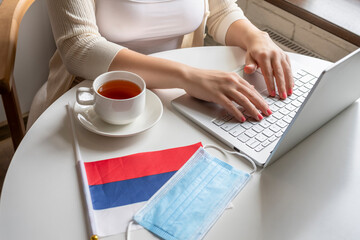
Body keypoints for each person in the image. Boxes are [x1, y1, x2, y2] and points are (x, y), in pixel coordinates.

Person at [27, 0, 293, 129]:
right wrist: (186, 76)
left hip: (178, 100)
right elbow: (79, 47)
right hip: (95, 104)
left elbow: (222, 12)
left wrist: (256, 37)